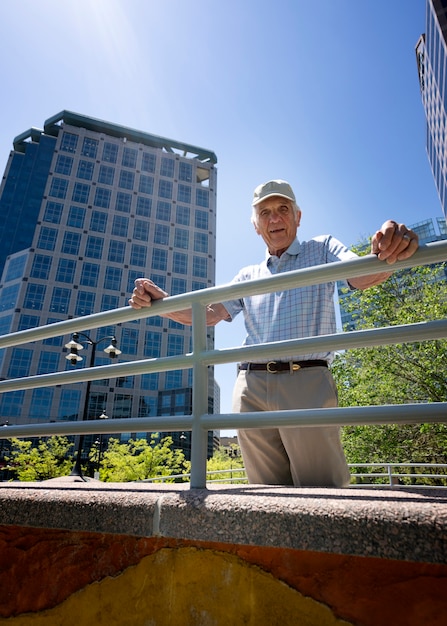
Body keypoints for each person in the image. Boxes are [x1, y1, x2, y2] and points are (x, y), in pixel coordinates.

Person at [129, 179, 419, 487]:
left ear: (298, 217)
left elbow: (361, 275)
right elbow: (208, 314)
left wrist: (389, 249)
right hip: (250, 388)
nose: (274, 218)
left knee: (323, 491)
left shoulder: (321, 249)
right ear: (256, 224)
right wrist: (161, 304)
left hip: (306, 382)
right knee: (266, 494)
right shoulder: (247, 275)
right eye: (265, 212)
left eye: (283, 209)